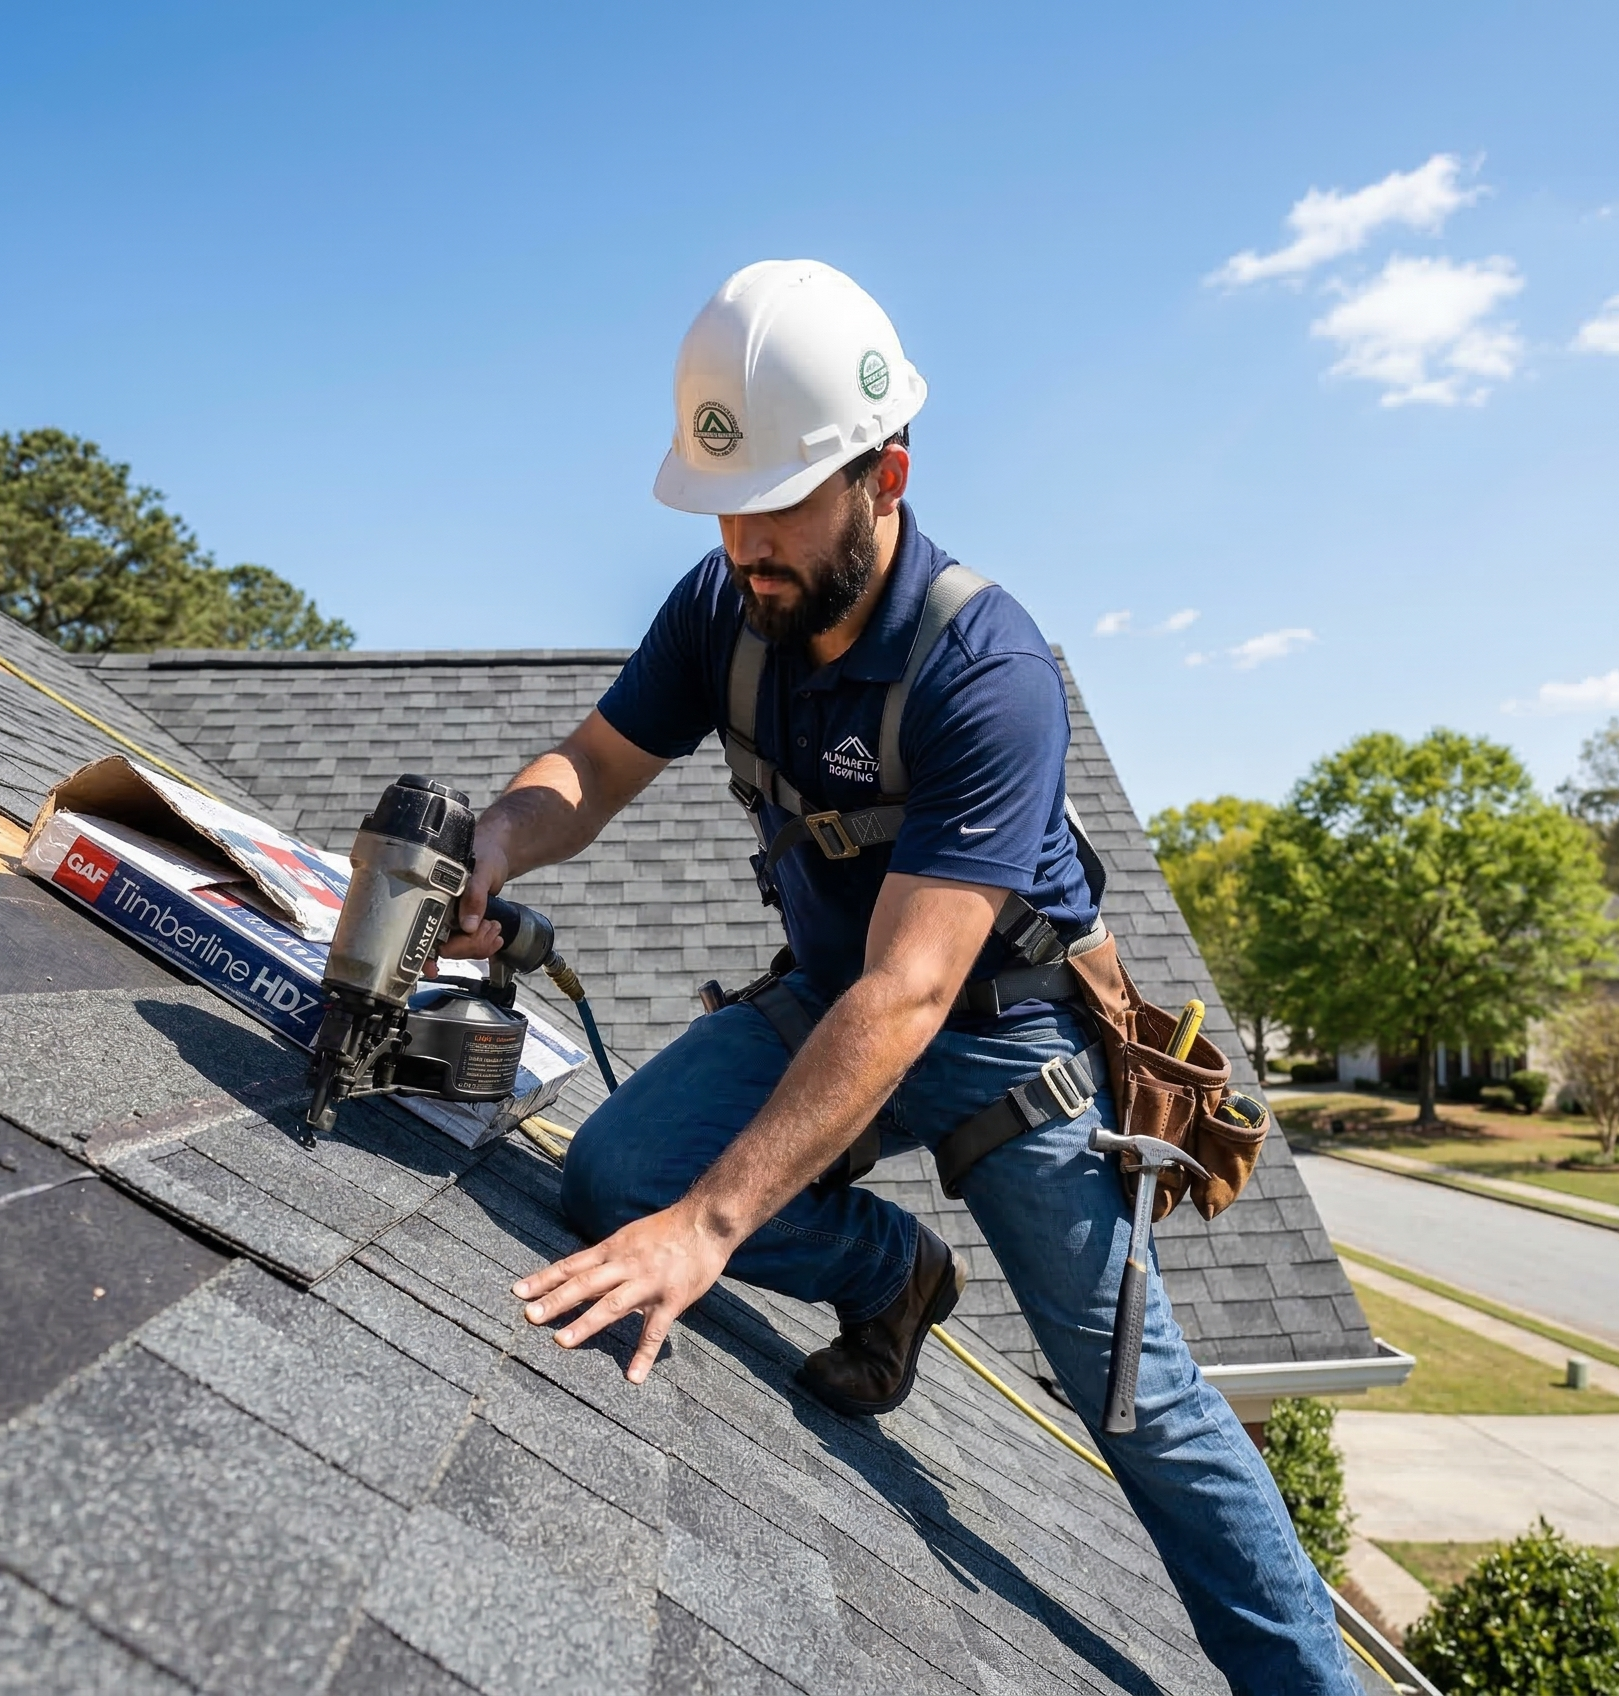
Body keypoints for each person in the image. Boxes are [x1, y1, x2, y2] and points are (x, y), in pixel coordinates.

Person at [442, 259, 1353, 1693]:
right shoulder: (725, 602)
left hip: (1003, 1039)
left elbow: (915, 993)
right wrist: (494, 841)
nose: (748, 543)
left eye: (784, 501)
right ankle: (895, 1273)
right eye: (725, 505)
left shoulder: (987, 669)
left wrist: (718, 1228)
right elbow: (593, 769)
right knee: (618, 1181)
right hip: (830, 995)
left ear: (887, 474)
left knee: (1145, 1410)